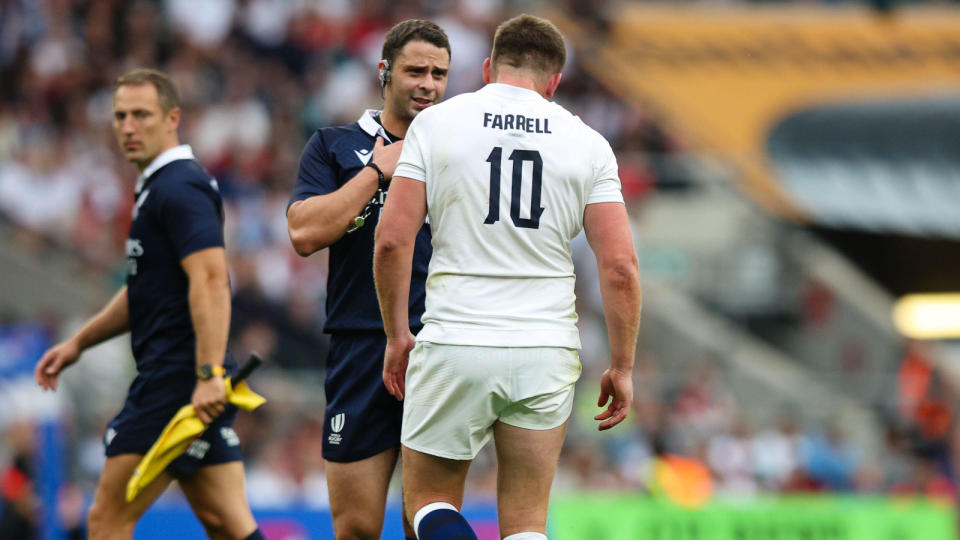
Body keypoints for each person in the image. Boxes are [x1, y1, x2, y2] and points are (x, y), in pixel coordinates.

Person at [373, 14, 642, 540]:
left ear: (489, 67)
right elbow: (620, 268)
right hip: (544, 347)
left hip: (458, 338)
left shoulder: (438, 124)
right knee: (525, 524)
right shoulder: (588, 143)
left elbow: (390, 241)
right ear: (554, 81)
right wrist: (623, 364)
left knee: (427, 504)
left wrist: (395, 334)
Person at [34, 68, 263, 540]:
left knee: (106, 521)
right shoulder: (159, 187)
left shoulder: (179, 186)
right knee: (227, 523)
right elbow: (146, 289)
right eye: (120, 116)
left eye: (141, 114)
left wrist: (207, 376)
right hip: (189, 379)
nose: (128, 127)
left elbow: (213, 280)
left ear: (172, 118)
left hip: (177, 382)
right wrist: (78, 342)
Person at [285, 20, 451, 540]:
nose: (428, 84)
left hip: (438, 346)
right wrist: (377, 171)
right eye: (415, 70)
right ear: (384, 71)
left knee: (424, 519)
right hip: (360, 344)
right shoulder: (334, 145)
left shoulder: (459, 152)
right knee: (355, 528)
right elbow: (304, 233)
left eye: (439, 74)